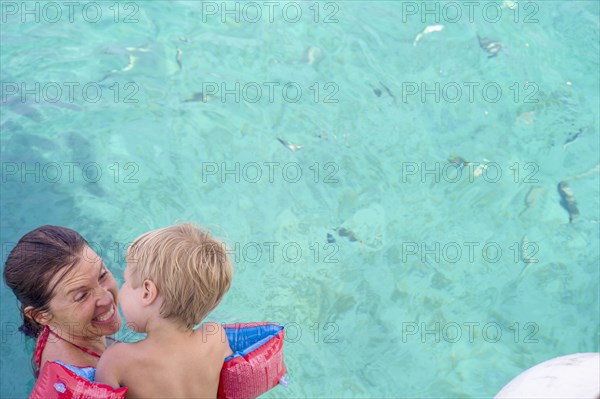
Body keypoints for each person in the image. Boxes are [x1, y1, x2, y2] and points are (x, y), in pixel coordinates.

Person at [95, 223, 233, 398]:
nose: (120, 292)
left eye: (126, 282)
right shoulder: (215, 338)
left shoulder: (117, 360)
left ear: (147, 292)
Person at [3, 225, 122, 376]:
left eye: (102, 274)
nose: (106, 299)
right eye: (81, 296)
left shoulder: (66, 328)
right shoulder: (82, 380)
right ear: (41, 316)